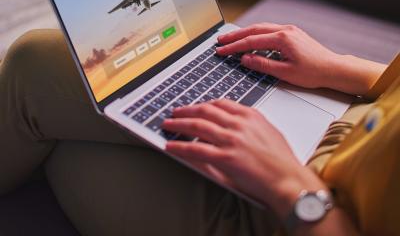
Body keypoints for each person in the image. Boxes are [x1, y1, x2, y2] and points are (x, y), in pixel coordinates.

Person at [0, 23, 398, 235]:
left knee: (56, 127)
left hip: (292, 218)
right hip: (352, 122)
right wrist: (339, 67)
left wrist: (292, 188)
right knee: (36, 59)